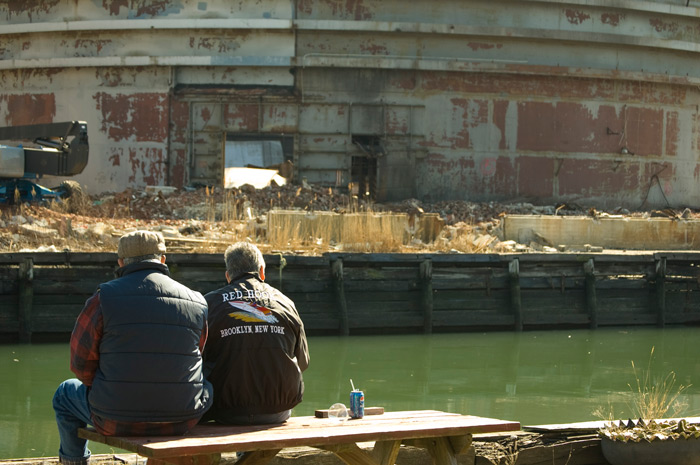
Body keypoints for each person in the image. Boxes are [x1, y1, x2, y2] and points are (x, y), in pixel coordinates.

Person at [52, 230, 213, 465]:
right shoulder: (196, 301)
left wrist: (107, 390)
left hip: (114, 418)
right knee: (206, 383)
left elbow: (80, 365)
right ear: (163, 260)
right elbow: (196, 356)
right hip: (183, 418)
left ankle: (74, 462)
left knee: (64, 394)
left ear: (120, 262)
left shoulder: (103, 298)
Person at [201, 241, 309, 425]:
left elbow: (196, 360)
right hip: (278, 409)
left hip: (224, 411)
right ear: (262, 272)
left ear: (228, 276)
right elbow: (303, 362)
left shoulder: (208, 304)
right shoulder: (286, 303)